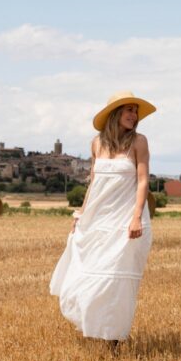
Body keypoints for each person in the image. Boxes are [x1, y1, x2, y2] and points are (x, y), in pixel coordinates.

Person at [49, 91, 156, 344]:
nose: (133, 115)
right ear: (115, 114)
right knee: (86, 275)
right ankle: (94, 327)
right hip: (98, 219)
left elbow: (142, 182)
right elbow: (94, 183)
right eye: (128, 110)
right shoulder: (97, 143)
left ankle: (114, 340)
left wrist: (136, 217)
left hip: (126, 220)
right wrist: (81, 214)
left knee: (115, 282)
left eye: (135, 110)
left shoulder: (139, 142)